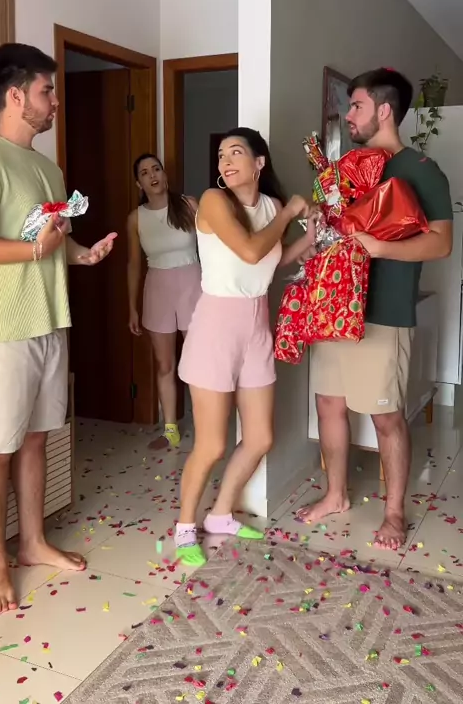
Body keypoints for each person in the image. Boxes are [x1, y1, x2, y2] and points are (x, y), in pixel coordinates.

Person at [0, 43, 116, 614]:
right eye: (47, 91)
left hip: (50, 320)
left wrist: (81, 254)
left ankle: (33, 542)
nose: (55, 101)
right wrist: (37, 250)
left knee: (38, 437)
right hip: (4, 328)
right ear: (16, 96)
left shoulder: (49, 168)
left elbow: (50, 239)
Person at [297, 68, 453, 550]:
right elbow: (335, 229)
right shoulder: (345, 169)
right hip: (334, 308)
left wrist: (380, 248)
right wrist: (316, 234)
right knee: (328, 404)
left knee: (386, 416)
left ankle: (394, 513)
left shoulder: (420, 170)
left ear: (384, 110)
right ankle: (336, 494)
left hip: (384, 312)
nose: (349, 115)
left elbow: (441, 243)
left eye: (357, 106)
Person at [174, 127, 316, 566]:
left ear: (259, 163)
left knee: (259, 437)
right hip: (216, 327)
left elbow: (273, 259)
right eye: (221, 155)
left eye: (236, 152)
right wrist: (289, 212)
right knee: (212, 444)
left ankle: (220, 514)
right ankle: (184, 528)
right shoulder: (214, 201)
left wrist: (313, 236)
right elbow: (252, 252)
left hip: (256, 325)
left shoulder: (270, 207)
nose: (226, 161)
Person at [127, 154, 200, 449]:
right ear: (139, 183)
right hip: (158, 289)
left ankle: (207, 426)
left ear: (165, 174)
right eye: (145, 172)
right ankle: (170, 429)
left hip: (193, 285)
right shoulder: (136, 218)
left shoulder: (188, 205)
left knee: (198, 361)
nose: (152, 175)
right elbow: (134, 264)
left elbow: (214, 245)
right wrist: (132, 307)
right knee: (165, 363)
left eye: (156, 169)